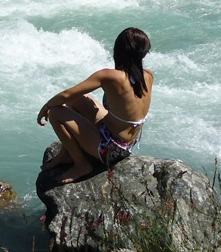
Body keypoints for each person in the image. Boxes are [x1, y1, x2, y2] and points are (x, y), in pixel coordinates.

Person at [36, 27, 153, 184]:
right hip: (125, 143)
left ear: (118, 50)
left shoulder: (110, 76)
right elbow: (72, 97)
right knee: (78, 99)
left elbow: (65, 94)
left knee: (55, 112)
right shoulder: (148, 76)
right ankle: (66, 154)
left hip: (111, 150)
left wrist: (45, 108)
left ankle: (81, 165)